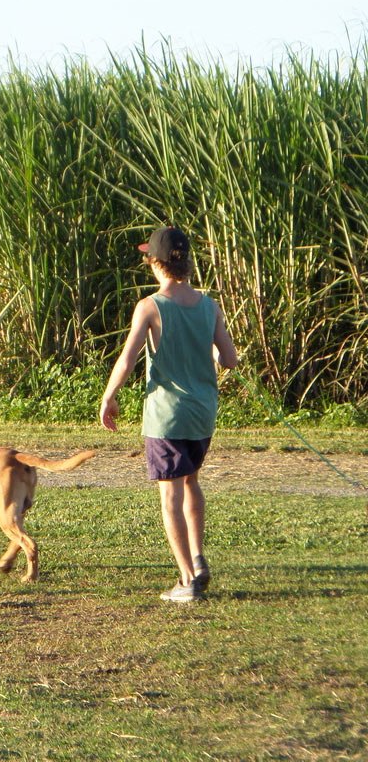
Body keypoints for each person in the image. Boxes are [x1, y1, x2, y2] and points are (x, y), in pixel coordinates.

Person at [99, 226, 238, 602]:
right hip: (202, 414)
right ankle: (198, 558)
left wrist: (109, 396)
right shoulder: (210, 306)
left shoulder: (150, 306)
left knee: (169, 496)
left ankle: (186, 579)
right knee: (191, 481)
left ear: (154, 263)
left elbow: (128, 357)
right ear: (186, 263)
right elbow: (230, 360)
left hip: (166, 416)